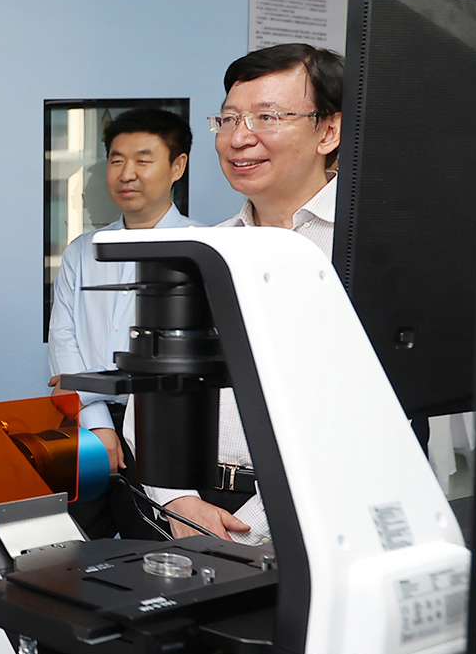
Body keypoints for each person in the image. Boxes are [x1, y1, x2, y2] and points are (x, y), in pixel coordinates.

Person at [147, 43, 343, 542]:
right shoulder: (200, 251)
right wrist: (176, 499)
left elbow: (371, 417)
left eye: (267, 117)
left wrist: (251, 529)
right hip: (193, 507)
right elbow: (154, 387)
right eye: (229, 119)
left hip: (326, 516)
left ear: (328, 131)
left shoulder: (367, 247)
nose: (238, 138)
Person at [46, 108, 200, 537]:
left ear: (177, 166)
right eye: (116, 160)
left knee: (158, 548)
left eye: (143, 160)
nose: (126, 173)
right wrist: (98, 421)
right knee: (71, 549)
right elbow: (63, 338)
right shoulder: (83, 251)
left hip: (166, 431)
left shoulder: (202, 248)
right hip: (86, 425)